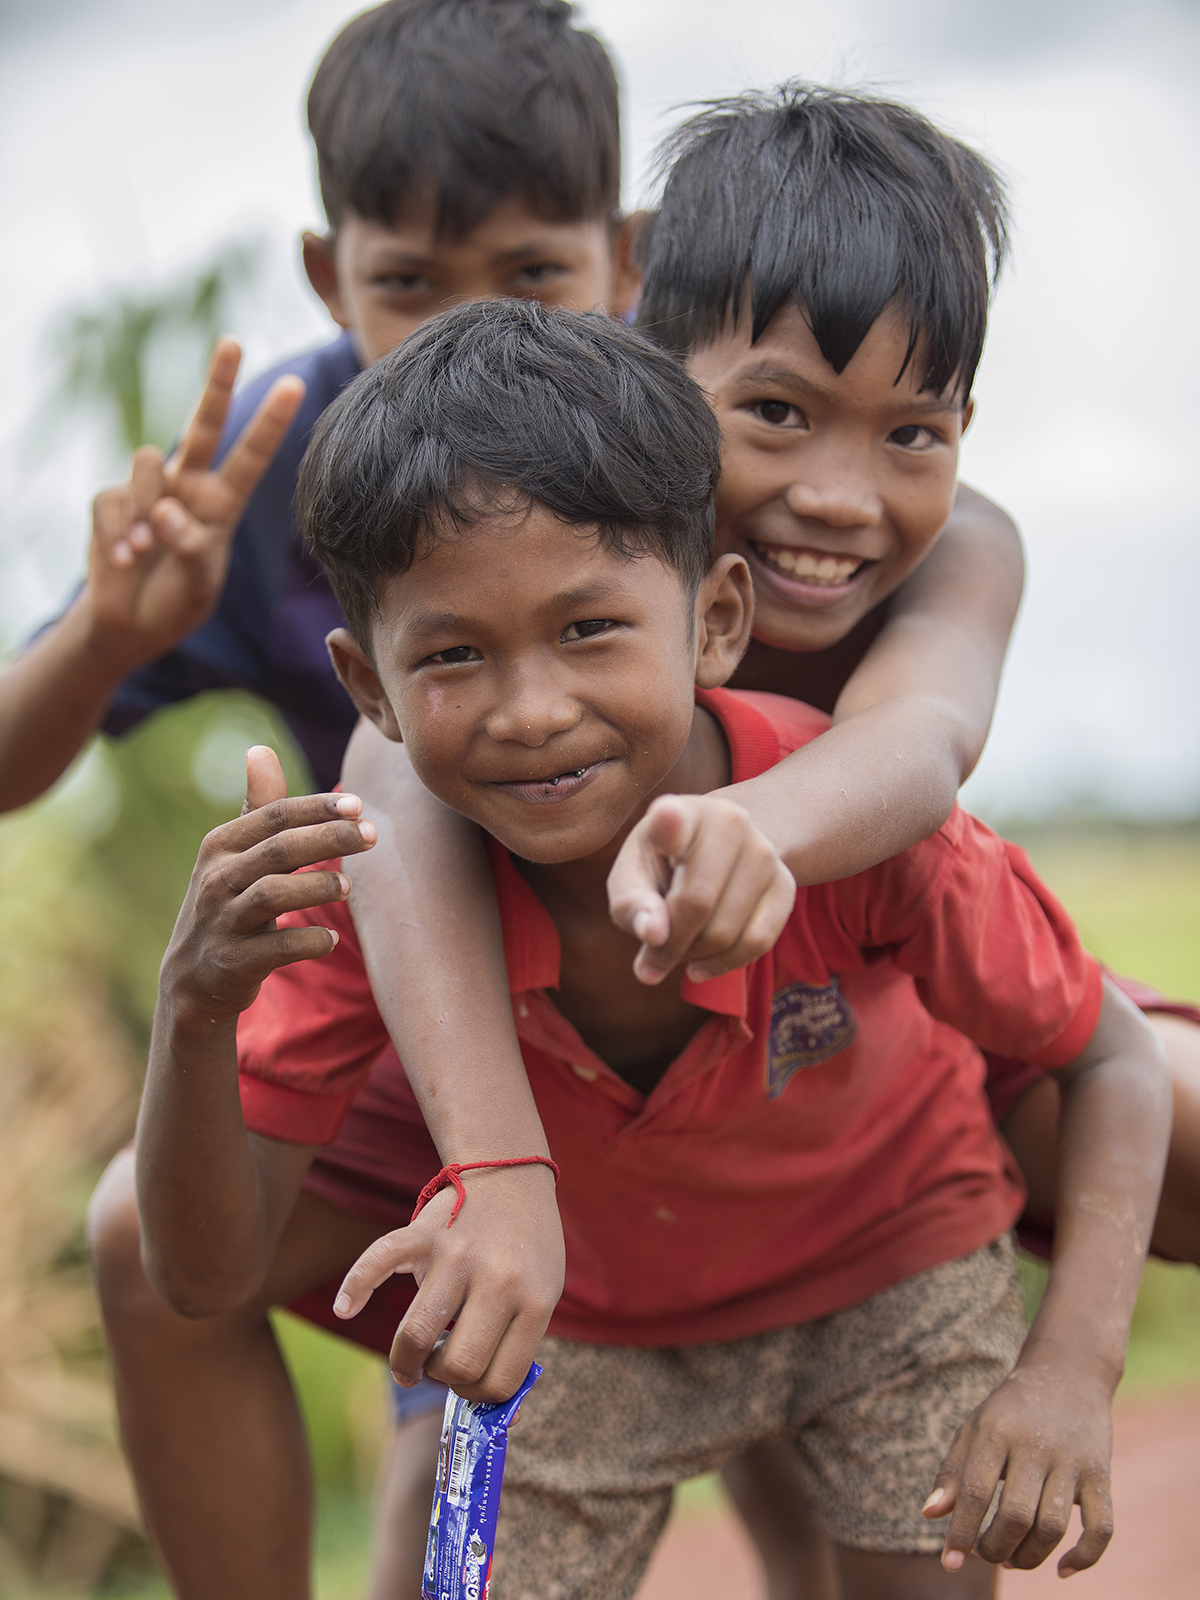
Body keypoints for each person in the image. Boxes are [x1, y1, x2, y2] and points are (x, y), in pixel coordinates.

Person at [133, 298, 1169, 1600]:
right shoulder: (363, 901)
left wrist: (1071, 1369)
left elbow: (1113, 1063)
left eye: (588, 629)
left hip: (888, 1276)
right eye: (453, 653)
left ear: (717, 617)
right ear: (370, 690)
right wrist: (192, 1011)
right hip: (589, 1328)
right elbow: (202, 1272)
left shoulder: (857, 830)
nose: (533, 709)